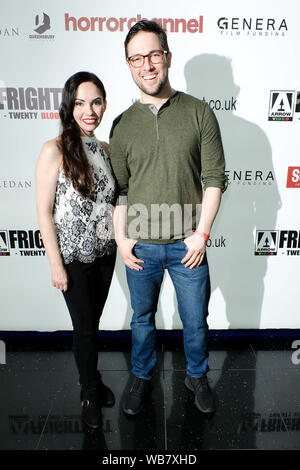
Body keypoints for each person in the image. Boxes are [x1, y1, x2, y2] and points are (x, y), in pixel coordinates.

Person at [109, 20, 227, 416]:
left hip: (187, 245)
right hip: (140, 245)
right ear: (129, 65)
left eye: (153, 54)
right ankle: (142, 376)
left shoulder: (199, 112)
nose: (147, 65)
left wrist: (202, 234)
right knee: (141, 320)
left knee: (195, 322)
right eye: (137, 58)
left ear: (167, 56)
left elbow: (214, 180)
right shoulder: (122, 125)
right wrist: (122, 239)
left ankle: (196, 375)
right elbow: (120, 191)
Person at [35, 71, 116, 429]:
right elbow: (43, 211)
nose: (90, 110)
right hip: (73, 258)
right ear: (69, 106)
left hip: (105, 254)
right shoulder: (54, 149)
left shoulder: (104, 149)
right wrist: (56, 264)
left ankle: (94, 379)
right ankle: (88, 392)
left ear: (104, 104)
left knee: (92, 325)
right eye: (81, 102)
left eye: (96, 101)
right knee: (84, 327)